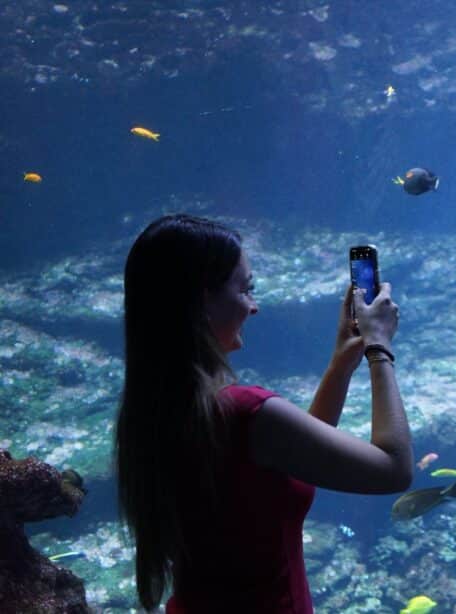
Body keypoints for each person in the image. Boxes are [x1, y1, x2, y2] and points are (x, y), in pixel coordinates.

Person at [114, 214, 413, 613]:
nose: (253, 307)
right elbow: (393, 468)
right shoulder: (245, 412)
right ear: (201, 299)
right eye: (245, 289)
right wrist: (380, 348)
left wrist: (342, 363)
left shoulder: (160, 409)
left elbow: (287, 462)